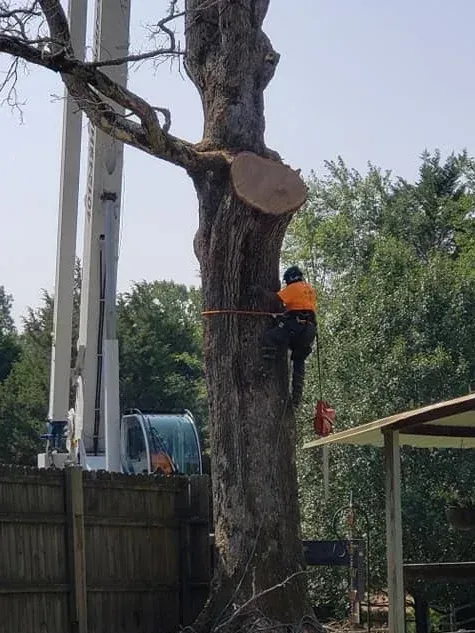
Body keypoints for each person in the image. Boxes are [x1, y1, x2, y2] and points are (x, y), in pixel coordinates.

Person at [262, 266, 317, 407]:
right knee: (299, 362)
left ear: (291, 278)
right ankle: (296, 399)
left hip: (295, 326)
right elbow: (301, 307)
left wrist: (259, 292)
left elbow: (275, 298)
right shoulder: (309, 289)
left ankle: (266, 370)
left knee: (270, 337)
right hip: (309, 330)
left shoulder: (294, 288)